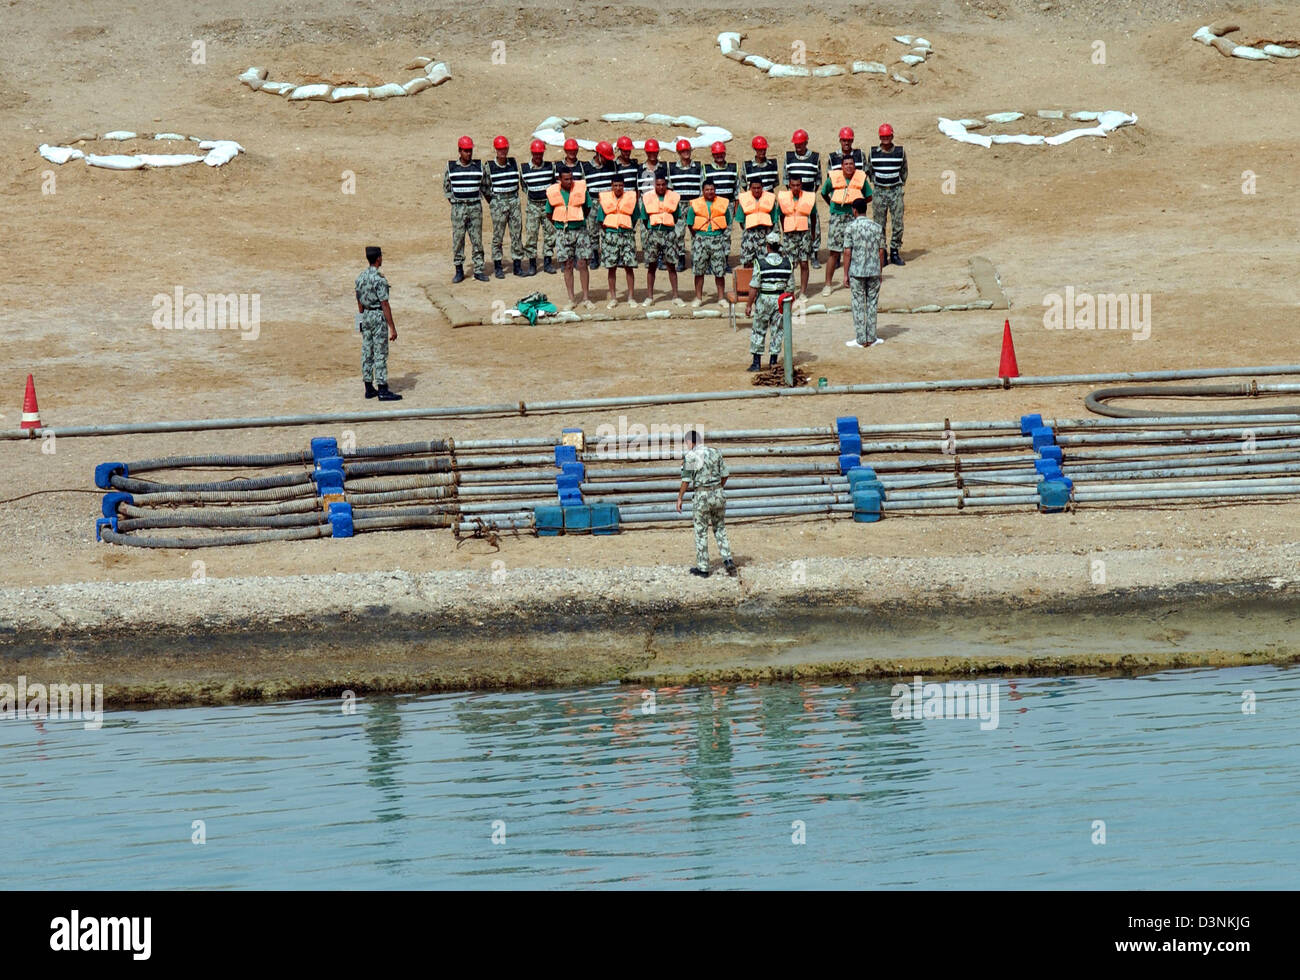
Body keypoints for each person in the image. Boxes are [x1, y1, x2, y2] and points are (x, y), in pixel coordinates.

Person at [676, 429, 735, 578]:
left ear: (691, 442)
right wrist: (717, 488)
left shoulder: (690, 456)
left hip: (702, 496)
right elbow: (725, 475)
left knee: (701, 531)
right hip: (718, 494)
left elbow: (686, 480)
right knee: (720, 527)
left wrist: (680, 497)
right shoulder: (715, 452)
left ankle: (703, 568)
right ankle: (728, 560)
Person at [355, 246, 401, 401]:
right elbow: (384, 304)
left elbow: (359, 301)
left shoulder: (360, 277)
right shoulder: (379, 279)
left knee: (367, 351)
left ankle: (368, 387)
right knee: (380, 352)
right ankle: (382, 388)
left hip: (366, 315)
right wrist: (392, 328)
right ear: (378, 258)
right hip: (377, 316)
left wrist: (360, 320)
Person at [819, 157, 871, 295]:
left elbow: (869, 196)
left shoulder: (861, 179)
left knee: (856, 250)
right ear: (842, 166)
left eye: (851, 164)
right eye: (846, 164)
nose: (849, 166)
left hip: (854, 217)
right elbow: (824, 193)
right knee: (834, 252)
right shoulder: (833, 178)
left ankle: (855, 281)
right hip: (837, 217)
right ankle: (828, 284)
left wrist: (858, 206)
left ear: (854, 166)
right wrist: (832, 204)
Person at [745, 231, 794, 372]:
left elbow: (754, 286)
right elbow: (790, 288)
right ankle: (773, 361)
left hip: (764, 300)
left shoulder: (760, 263)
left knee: (759, 330)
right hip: (780, 301)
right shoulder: (787, 263)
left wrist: (749, 305)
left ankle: (756, 363)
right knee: (777, 331)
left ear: (767, 246)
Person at [841, 197, 886, 349]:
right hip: (873, 270)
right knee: (872, 303)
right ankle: (871, 337)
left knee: (858, 304)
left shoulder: (850, 228)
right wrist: (880, 271)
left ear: (854, 210)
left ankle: (861, 338)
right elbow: (881, 252)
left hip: (857, 271)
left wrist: (845, 274)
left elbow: (847, 252)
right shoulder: (877, 227)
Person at [443, 136, 490, 283]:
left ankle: (479, 270)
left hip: (475, 206)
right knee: (458, 240)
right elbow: (447, 188)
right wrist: (457, 202)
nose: (468, 154)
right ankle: (459, 270)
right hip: (458, 207)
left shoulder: (479, 166)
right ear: (459, 151)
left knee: (477, 239)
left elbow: (486, 185)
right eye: (465, 151)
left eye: (470, 150)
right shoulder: (451, 167)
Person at [547, 169, 593, 310]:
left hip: (580, 230)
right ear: (560, 179)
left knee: (582, 263)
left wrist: (576, 219)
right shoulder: (553, 192)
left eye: (570, 178)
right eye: (566, 179)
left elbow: (587, 208)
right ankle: (571, 299)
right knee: (567, 265)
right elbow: (549, 213)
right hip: (563, 231)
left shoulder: (580, 189)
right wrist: (561, 223)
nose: (569, 182)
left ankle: (585, 298)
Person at [637, 173, 685, 306]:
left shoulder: (672, 198)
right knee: (651, 266)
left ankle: (675, 296)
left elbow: (676, 216)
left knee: (671, 265)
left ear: (666, 185)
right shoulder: (648, 198)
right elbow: (644, 217)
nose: (661, 187)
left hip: (669, 234)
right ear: (654, 185)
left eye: (663, 184)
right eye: (658, 184)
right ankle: (650, 297)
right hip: (653, 233)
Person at [593, 173, 638, 308]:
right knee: (611, 268)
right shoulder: (606, 201)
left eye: (620, 186)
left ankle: (630, 297)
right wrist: (609, 232)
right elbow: (601, 220)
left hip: (627, 235)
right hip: (610, 235)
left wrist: (626, 228)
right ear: (611, 186)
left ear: (624, 186)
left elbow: (635, 218)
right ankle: (613, 298)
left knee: (629, 267)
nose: (618, 188)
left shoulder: (630, 200)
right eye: (615, 185)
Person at [868, 123, 908, 265]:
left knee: (898, 222)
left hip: (895, 191)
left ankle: (895, 251)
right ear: (880, 137)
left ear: (892, 136)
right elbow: (870, 171)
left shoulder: (900, 152)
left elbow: (904, 171)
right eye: (883, 136)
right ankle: (882, 252)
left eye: (888, 136)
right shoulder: (873, 153)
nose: (886, 139)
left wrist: (898, 185)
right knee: (879, 224)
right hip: (879, 191)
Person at [484, 135, 523, 278]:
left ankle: (517, 265)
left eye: (504, 148)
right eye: (500, 149)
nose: (503, 152)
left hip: (513, 201)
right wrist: (494, 202)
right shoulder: (489, 167)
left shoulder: (513, 162)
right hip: (498, 203)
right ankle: (498, 266)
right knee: (498, 236)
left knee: (516, 234)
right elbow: (485, 187)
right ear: (495, 149)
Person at [689, 179, 731, 307]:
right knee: (699, 271)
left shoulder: (722, 204)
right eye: (707, 189)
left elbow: (726, 221)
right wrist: (698, 236)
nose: (709, 192)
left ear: (715, 190)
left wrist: (717, 234)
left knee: (719, 271)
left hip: (717, 239)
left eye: (712, 189)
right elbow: (690, 223)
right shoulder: (695, 205)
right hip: (700, 239)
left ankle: (721, 298)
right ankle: (698, 298)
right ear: (703, 191)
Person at [784, 129, 823, 268]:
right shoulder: (788, 157)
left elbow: (818, 179)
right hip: (793, 199)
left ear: (806, 142)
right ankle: (795, 254)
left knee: (814, 225)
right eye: (796, 144)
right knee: (795, 224)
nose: (798, 146)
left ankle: (814, 254)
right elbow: (785, 178)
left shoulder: (815, 158)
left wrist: (809, 196)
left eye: (801, 143)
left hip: (808, 197)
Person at [520, 139, 557, 276]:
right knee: (531, 235)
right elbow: (523, 186)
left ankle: (547, 262)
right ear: (531, 153)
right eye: (535, 154)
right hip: (533, 206)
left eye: (540, 154)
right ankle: (532, 265)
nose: (538, 156)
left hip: (547, 205)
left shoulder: (550, 167)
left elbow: (553, 183)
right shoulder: (524, 169)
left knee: (550, 234)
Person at [667, 139, 704, 272]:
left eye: (687, 150)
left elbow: (701, 186)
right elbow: (670, 189)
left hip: (694, 204)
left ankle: (696, 259)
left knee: (696, 231)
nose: (686, 153)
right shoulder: (672, 168)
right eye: (683, 151)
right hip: (679, 204)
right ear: (678, 152)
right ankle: (681, 258)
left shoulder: (698, 167)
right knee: (678, 233)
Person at [702, 141, 739, 268]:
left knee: (726, 233)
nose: (719, 156)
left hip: (728, 205)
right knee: (711, 232)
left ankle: (724, 260)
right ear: (713, 155)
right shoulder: (706, 169)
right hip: (712, 205)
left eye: (721, 153)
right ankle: (709, 261)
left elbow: (737, 190)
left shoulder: (733, 169)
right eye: (716, 154)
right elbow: (703, 190)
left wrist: (736, 207)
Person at [582, 141, 618, 270]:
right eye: (605, 157)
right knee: (592, 230)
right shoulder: (585, 167)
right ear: (598, 154)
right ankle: (595, 256)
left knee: (608, 229)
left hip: (608, 202)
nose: (607, 160)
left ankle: (609, 254)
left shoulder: (613, 165)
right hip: (593, 202)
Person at [776, 174, 814, 295]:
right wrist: (785, 230)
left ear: (801, 185)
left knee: (804, 263)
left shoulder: (808, 197)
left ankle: (803, 292)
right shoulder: (783, 198)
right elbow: (780, 215)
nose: (796, 188)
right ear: (789, 185)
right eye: (793, 185)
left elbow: (813, 217)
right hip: (789, 234)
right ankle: (790, 290)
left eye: (798, 185)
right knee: (790, 264)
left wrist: (812, 234)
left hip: (804, 233)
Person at [736, 175, 779, 268]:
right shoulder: (744, 200)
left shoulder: (770, 199)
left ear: (762, 188)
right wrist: (749, 232)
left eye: (758, 188)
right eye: (754, 188)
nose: (756, 190)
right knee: (748, 262)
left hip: (765, 234)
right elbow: (741, 220)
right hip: (749, 234)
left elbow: (774, 219)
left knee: (765, 262)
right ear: (750, 188)